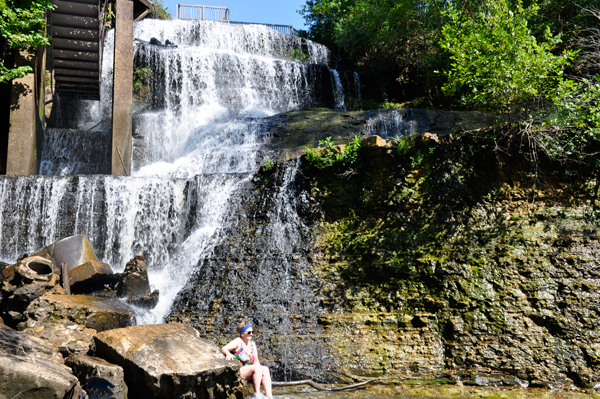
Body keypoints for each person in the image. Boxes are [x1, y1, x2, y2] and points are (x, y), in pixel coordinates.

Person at [222, 320, 273, 399]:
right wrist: (228, 354)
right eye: (249, 332)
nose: (251, 334)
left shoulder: (252, 343)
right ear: (242, 334)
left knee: (265, 369)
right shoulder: (238, 341)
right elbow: (224, 348)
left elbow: (256, 361)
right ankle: (257, 396)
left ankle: (270, 397)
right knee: (256, 368)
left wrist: (260, 372)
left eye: (252, 332)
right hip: (238, 370)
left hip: (250, 370)